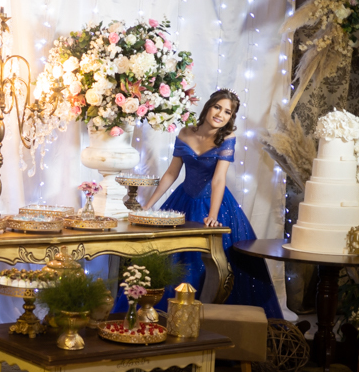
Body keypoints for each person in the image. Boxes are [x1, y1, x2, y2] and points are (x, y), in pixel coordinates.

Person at [116, 88, 283, 319]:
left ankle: (196, 318)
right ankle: (156, 315)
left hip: (214, 204)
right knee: (166, 256)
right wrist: (148, 206)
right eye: (217, 107)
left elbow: (218, 180)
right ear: (208, 107)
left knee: (208, 263)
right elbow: (171, 173)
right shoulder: (185, 132)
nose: (220, 114)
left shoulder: (227, 138)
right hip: (182, 201)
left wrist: (212, 216)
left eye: (227, 112)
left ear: (231, 118)